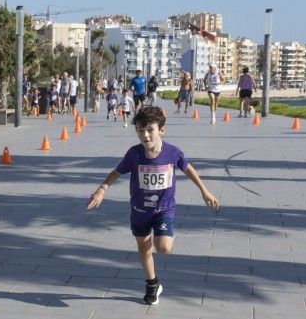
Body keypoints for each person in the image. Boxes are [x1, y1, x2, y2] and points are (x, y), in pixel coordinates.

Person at [85, 104, 221, 306]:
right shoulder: (134, 154)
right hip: (139, 210)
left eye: (150, 130)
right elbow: (117, 172)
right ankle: (152, 284)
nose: (145, 135)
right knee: (143, 246)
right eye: (140, 131)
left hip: (163, 209)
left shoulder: (172, 153)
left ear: (161, 130)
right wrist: (101, 189)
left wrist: (204, 190)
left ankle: (165, 233)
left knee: (163, 248)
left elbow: (188, 169)